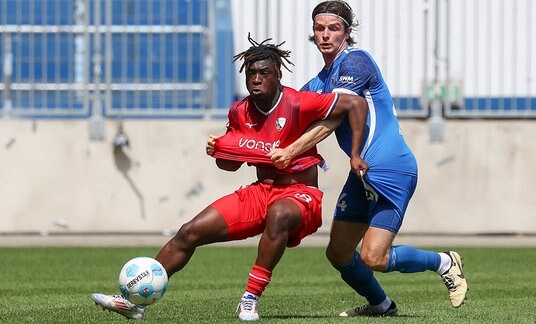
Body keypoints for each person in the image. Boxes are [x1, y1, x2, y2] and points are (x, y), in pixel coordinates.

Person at [91, 34, 369, 321]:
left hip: (300, 195)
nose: (257, 79)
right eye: (251, 74)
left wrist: (355, 154)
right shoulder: (239, 110)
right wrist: (218, 151)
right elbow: (230, 166)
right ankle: (134, 302)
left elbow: (356, 105)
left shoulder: (299, 103)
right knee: (188, 232)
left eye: (264, 73)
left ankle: (250, 298)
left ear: (278, 75)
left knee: (278, 215)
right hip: (260, 192)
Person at [268, 0, 468, 317]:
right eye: (320, 28)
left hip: (391, 169)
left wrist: (290, 152)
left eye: (334, 28)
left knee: (374, 257)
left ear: (347, 32)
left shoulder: (356, 62)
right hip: (361, 174)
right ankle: (382, 305)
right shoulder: (322, 80)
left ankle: (444, 261)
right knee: (339, 252)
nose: (326, 35)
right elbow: (288, 110)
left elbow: (333, 119)